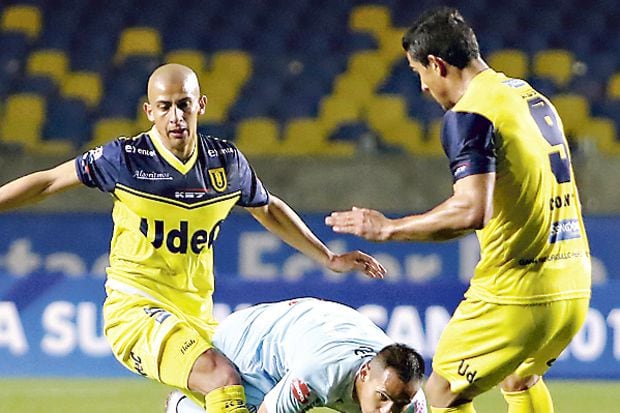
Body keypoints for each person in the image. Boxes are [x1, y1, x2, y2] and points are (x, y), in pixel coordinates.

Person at [0, 63, 387, 412]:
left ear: (200, 105)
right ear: (148, 112)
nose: (175, 117)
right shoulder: (126, 158)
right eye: (164, 106)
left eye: (183, 104)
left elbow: (266, 207)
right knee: (221, 378)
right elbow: (50, 180)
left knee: (246, 397)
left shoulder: (226, 163)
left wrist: (328, 258)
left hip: (197, 316)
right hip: (135, 310)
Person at [326, 7, 591, 413]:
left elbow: (471, 210)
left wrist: (389, 229)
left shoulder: (470, 114)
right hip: (573, 281)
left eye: (420, 74)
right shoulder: (529, 97)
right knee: (521, 376)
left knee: (441, 393)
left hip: (518, 291)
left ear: (438, 64)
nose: (424, 88)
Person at [166, 297, 427, 413]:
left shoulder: (411, 402)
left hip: (309, 328)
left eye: (399, 405)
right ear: (365, 372)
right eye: (382, 398)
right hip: (251, 348)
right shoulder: (320, 374)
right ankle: (183, 409)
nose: (387, 411)